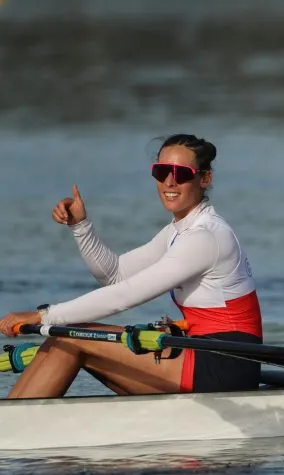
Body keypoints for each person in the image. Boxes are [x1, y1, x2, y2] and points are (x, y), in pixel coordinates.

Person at [0, 134, 263, 398]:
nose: (169, 182)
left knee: (70, 337)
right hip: (200, 354)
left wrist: (44, 316)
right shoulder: (177, 232)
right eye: (161, 172)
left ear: (204, 179)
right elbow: (114, 275)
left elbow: (124, 295)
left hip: (223, 364)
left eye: (181, 174)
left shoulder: (205, 237)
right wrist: (80, 226)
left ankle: (12, 432)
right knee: (66, 338)